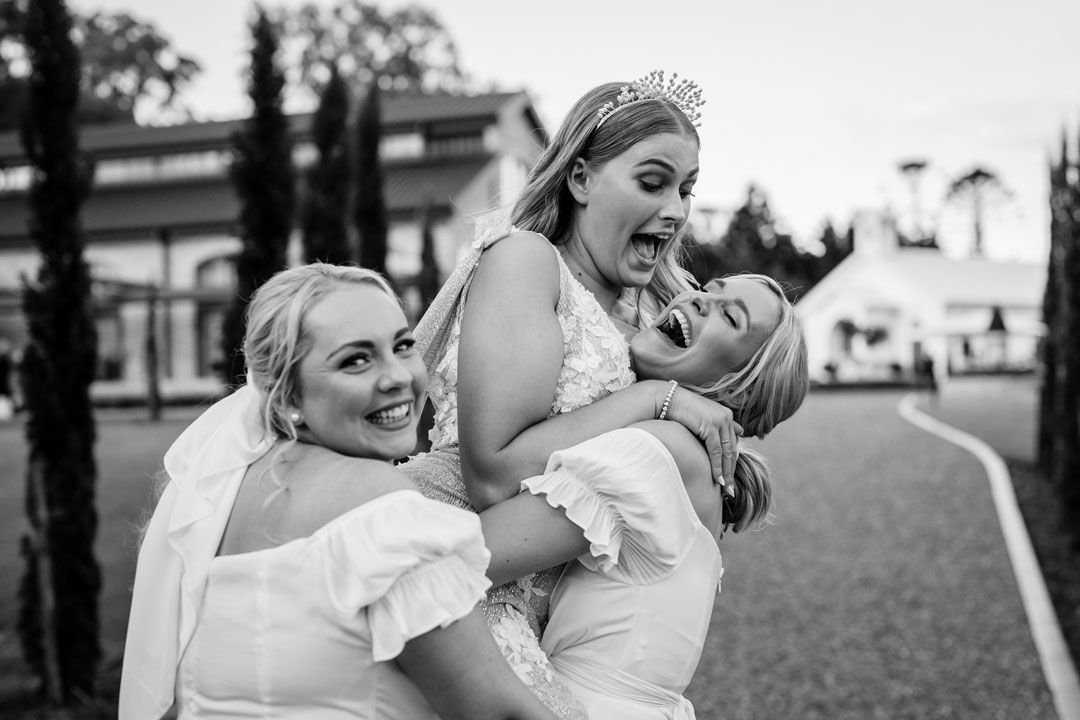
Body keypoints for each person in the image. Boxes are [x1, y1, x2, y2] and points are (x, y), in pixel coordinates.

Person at [408, 71, 742, 714]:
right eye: (653, 182)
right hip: (462, 578)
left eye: (687, 189)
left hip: (547, 619)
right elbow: (494, 474)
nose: (675, 211)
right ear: (581, 177)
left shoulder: (645, 322)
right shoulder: (528, 262)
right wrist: (655, 402)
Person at [119, 264, 557, 720]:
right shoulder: (376, 505)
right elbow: (498, 712)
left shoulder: (220, 498)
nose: (398, 377)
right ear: (287, 396)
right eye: (356, 360)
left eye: (402, 346)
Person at [479, 274, 809, 719]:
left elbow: (464, 556)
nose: (701, 301)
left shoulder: (657, 454)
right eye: (710, 288)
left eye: (730, 316)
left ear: (738, 388)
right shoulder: (692, 463)